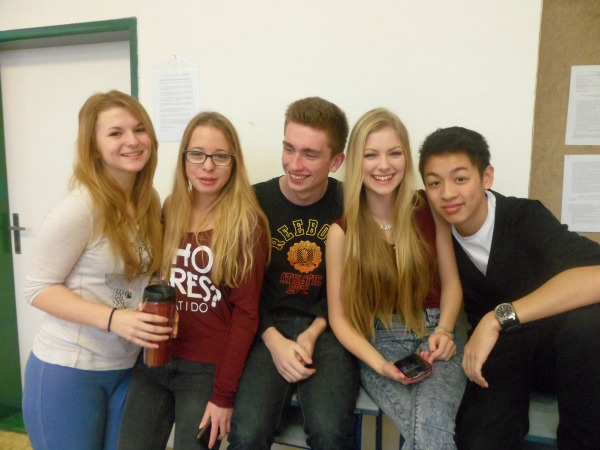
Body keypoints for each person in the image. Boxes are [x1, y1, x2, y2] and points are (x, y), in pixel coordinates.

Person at [419, 126, 600, 449]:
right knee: (478, 440)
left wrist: (497, 318)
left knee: (588, 324)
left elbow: (595, 275)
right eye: (435, 183)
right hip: (501, 355)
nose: (447, 193)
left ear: (486, 177)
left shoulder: (524, 217)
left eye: (460, 179)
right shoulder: (435, 237)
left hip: (563, 353)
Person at [22, 90, 169, 450]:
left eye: (139, 129)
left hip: (126, 366)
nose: (132, 141)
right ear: (94, 147)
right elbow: (38, 289)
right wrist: (114, 319)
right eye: (116, 133)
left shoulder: (148, 200)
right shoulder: (81, 208)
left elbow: (141, 272)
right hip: (70, 370)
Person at [117, 111, 269, 450]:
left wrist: (223, 395)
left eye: (220, 156)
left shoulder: (247, 223)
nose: (208, 166)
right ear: (184, 158)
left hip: (206, 371)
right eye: (197, 154)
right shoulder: (171, 208)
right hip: (155, 359)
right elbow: (157, 279)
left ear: (234, 162)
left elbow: (246, 316)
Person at [326, 108, 466, 449]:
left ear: (406, 158)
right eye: (371, 155)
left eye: (394, 153)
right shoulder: (342, 233)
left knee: (432, 431)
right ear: (356, 161)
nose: (383, 165)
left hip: (435, 336)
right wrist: (381, 365)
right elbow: (339, 319)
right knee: (432, 437)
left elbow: (451, 284)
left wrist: (445, 331)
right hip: (378, 345)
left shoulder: (428, 208)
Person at [228, 97, 359, 450]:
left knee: (331, 433)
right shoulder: (254, 202)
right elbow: (241, 290)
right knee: (246, 435)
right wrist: (274, 342)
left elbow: (352, 288)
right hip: (265, 327)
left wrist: (313, 333)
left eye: (310, 154)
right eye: (289, 148)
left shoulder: (351, 204)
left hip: (329, 328)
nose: (294, 164)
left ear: (336, 161)